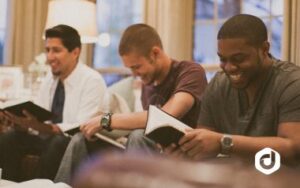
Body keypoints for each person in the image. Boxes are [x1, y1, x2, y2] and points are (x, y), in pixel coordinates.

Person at [55, 23, 207, 184]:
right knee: (81, 140)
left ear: (155, 53)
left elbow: (165, 117)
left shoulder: (190, 71)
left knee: (138, 136)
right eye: (130, 69)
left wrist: (106, 120)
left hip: (185, 157)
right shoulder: (147, 86)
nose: (134, 74)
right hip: (154, 153)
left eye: (137, 67)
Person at [165, 14, 300, 164]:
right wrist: (189, 152)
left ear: (264, 49)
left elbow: (292, 148)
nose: (229, 67)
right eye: (223, 59)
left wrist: (224, 143)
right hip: (232, 176)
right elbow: (206, 144)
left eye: (238, 59)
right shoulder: (217, 84)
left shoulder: (292, 82)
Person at [0, 24, 107, 181]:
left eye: (56, 50)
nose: (49, 57)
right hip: (49, 138)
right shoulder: (50, 79)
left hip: (75, 143)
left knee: (58, 142)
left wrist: (42, 127)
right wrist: (22, 124)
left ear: (75, 52)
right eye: (47, 50)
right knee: (9, 138)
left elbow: (80, 129)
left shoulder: (92, 81)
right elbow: (40, 117)